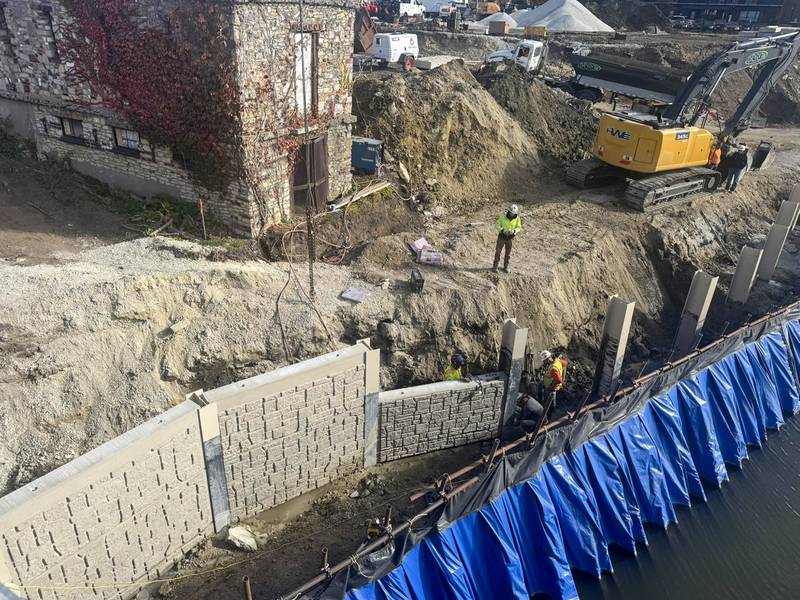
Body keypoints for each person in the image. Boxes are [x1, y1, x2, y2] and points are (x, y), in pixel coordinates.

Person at [492, 204, 521, 273]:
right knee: (498, 251)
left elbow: (519, 227)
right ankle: (495, 266)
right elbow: (497, 224)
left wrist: (514, 232)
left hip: (510, 237)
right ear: (508, 211)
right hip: (502, 236)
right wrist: (501, 230)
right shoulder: (502, 216)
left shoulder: (517, 218)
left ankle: (506, 266)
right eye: (511, 213)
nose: (511, 214)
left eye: (513, 213)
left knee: (508, 253)